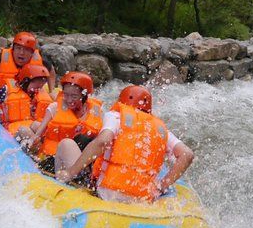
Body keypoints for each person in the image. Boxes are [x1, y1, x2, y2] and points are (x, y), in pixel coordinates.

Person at [56, 85, 194, 203]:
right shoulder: (161, 129)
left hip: (107, 193)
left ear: (121, 101)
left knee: (66, 144)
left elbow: (103, 141)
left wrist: (70, 172)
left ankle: (59, 189)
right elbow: (187, 155)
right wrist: (161, 186)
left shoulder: (116, 116)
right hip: (142, 199)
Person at [17, 72, 103, 181]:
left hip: (78, 162)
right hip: (53, 157)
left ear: (84, 95)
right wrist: (33, 140)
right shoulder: (55, 107)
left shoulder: (95, 112)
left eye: (74, 96)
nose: (69, 100)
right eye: (66, 94)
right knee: (27, 129)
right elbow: (39, 132)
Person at [0, 31, 57, 97]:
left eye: (26, 49)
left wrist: (51, 91)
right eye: (18, 48)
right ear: (13, 49)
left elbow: (51, 70)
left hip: (30, 97)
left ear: (32, 53)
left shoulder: (40, 62)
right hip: (6, 97)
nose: (21, 53)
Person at [0, 63, 54, 136]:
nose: (37, 90)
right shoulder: (6, 90)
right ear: (25, 82)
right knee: (24, 131)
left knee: (38, 125)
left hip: (30, 125)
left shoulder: (40, 95)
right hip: (10, 129)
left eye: (40, 87)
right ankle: (36, 144)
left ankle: (42, 144)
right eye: (35, 87)